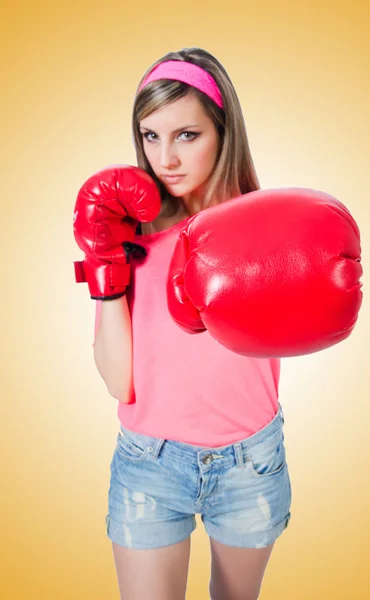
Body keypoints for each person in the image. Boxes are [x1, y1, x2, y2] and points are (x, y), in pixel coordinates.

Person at [77, 47, 293, 600]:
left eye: (186, 135)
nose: (164, 158)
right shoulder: (129, 235)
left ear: (224, 132)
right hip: (150, 462)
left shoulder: (267, 226)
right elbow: (117, 382)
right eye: (150, 136)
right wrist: (107, 271)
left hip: (249, 462)